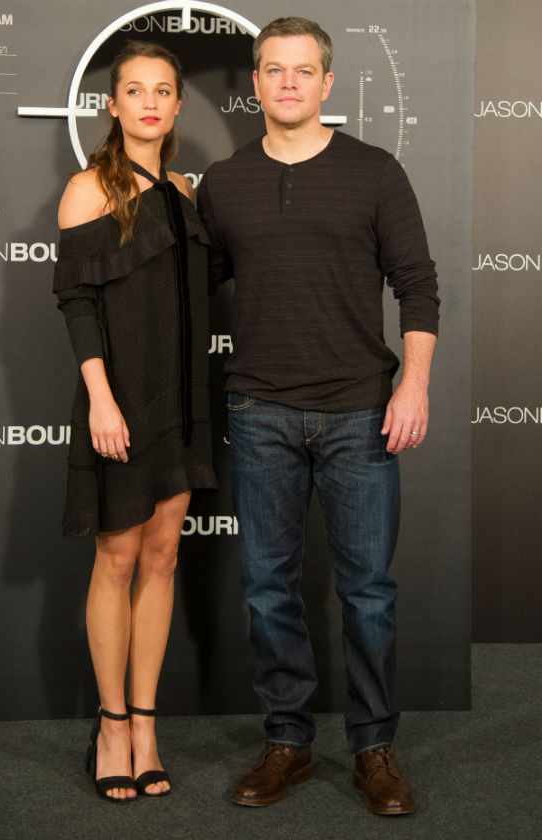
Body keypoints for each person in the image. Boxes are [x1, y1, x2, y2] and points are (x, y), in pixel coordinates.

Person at [197, 17, 439, 815]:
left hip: (359, 414)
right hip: (258, 410)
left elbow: (418, 284)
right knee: (268, 589)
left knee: (368, 592)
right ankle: (288, 743)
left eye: (304, 70)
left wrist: (413, 386)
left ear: (328, 83)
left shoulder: (375, 171)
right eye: (275, 70)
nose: (289, 82)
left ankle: (373, 749)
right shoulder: (223, 182)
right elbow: (190, 287)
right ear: (256, 84)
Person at [53, 41, 216, 803]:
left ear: (177, 106)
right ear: (112, 105)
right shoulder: (89, 188)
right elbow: (77, 303)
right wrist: (102, 398)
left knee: (162, 559)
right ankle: (112, 727)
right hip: (119, 399)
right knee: (116, 562)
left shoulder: (183, 190)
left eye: (162, 90)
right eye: (134, 90)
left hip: (181, 402)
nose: (149, 102)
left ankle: (146, 726)